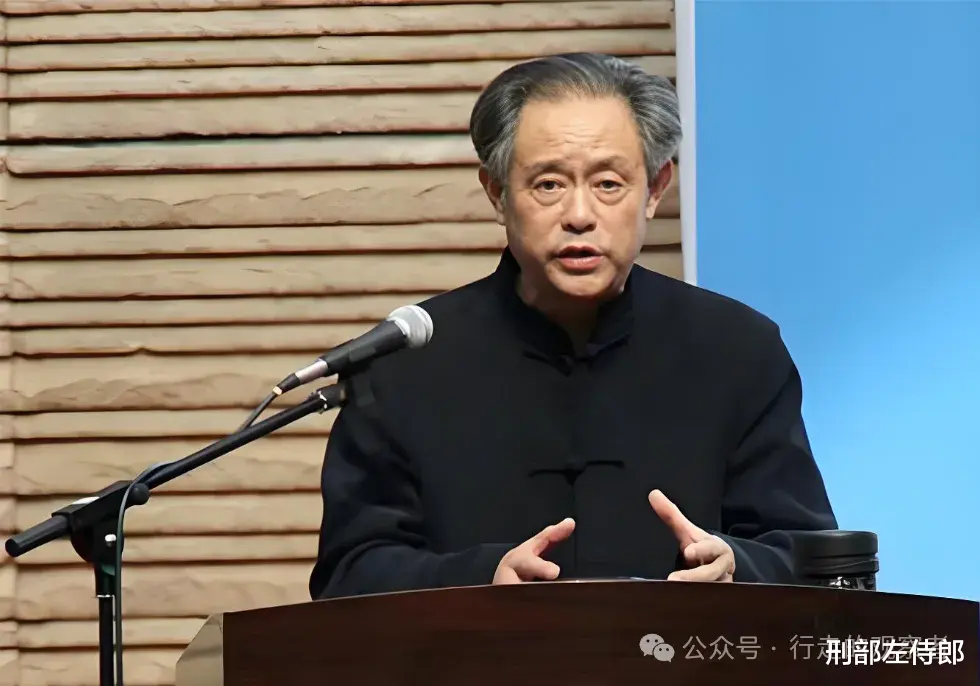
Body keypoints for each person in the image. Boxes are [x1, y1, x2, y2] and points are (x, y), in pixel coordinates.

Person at [308, 53, 837, 599]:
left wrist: (736, 565)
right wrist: (481, 579)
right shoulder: (404, 363)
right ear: (497, 193)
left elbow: (812, 559)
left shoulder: (738, 350)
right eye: (548, 185)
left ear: (656, 189)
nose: (579, 215)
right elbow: (349, 573)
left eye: (608, 183)